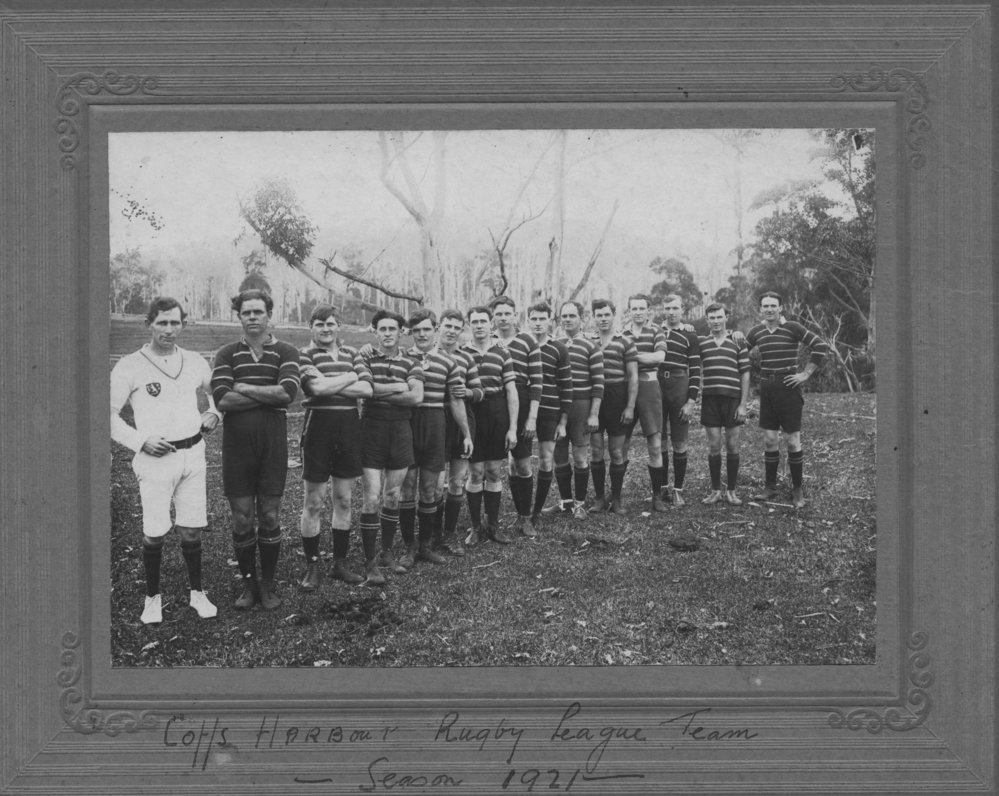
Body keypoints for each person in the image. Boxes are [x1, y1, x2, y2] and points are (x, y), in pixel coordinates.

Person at [111, 297, 221, 625]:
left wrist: (214, 411)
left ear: (183, 325)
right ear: (149, 324)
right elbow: (106, 414)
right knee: (154, 532)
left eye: (175, 323)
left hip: (192, 454)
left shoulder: (194, 360)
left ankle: (197, 593)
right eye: (162, 322)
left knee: (191, 530)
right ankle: (152, 598)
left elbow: (217, 389)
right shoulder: (130, 365)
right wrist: (140, 440)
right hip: (155, 459)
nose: (169, 330)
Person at [210, 289, 301, 611]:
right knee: (242, 517)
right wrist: (267, 392)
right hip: (237, 445)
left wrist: (244, 387)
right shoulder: (225, 354)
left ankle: (269, 584)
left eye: (258, 312)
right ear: (239, 316)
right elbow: (223, 399)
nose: (252, 317)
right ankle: (249, 584)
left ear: (268, 315)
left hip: (272, 443)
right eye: (246, 312)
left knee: (270, 515)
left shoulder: (288, 351)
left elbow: (287, 394)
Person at [296, 304, 372, 592]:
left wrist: (333, 383)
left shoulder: (352, 354)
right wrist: (350, 378)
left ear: (338, 326)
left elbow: (367, 390)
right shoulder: (303, 355)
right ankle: (312, 565)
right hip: (318, 429)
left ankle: (340, 564)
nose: (325, 328)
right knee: (313, 501)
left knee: (344, 499)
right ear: (311, 327)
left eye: (330, 323)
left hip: (349, 428)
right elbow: (315, 390)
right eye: (319, 324)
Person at [396, 308, 471, 568]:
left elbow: (456, 401)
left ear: (435, 329)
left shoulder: (449, 362)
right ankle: (409, 546)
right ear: (410, 333)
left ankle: (426, 544)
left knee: (429, 488)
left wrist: (467, 434)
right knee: (407, 487)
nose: (422, 334)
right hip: (407, 425)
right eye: (416, 330)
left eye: (427, 329)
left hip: (435, 424)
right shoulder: (402, 358)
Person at [353, 310, 424, 584]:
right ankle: (370, 562)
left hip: (401, 430)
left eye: (392, 328)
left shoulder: (412, 362)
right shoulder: (364, 358)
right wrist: (397, 386)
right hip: (371, 429)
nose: (387, 333)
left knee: (392, 495)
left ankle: (386, 553)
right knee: (371, 498)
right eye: (382, 329)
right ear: (375, 331)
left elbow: (416, 396)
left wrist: (379, 389)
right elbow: (365, 390)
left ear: (400, 332)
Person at [744, 291, 830, 508]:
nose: (769, 309)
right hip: (767, 389)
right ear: (761, 309)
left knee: (793, 441)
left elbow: (820, 346)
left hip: (789, 388)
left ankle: (797, 489)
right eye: (765, 306)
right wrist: (734, 336)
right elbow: (739, 351)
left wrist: (805, 374)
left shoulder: (792, 327)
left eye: (773, 305)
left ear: (780, 307)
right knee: (770, 440)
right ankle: (770, 486)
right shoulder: (756, 332)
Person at [461, 305, 519, 546]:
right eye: (474, 321)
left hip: (497, 412)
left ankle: (493, 526)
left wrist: (513, 427)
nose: (479, 325)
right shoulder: (462, 353)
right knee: (475, 472)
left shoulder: (502, 352)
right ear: (469, 325)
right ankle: (475, 527)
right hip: (472, 412)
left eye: (483, 321)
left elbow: (511, 391)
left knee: (494, 470)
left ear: (490, 323)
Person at [489, 295, 543, 538]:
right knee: (492, 464)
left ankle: (525, 516)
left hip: (520, 400)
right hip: (492, 402)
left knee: (521, 461)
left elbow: (537, 383)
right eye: (498, 313)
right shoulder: (486, 341)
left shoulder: (527, 341)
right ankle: (487, 520)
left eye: (507, 313)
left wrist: (531, 417)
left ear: (515, 315)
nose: (502, 318)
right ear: (493, 316)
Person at [548, 300, 604, 519]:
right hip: (558, 407)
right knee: (559, 454)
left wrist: (593, 414)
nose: (568, 320)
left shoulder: (591, 346)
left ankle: (580, 503)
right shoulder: (555, 344)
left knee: (580, 456)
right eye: (564, 316)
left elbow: (599, 384)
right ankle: (566, 502)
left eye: (572, 316)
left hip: (582, 406)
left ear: (582, 318)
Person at [435, 309, 484, 556]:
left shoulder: (466, 358)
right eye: (448, 326)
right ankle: (431, 534)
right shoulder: (427, 355)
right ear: (438, 327)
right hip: (435, 418)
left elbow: (480, 391)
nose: (452, 331)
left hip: (464, 419)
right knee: (433, 481)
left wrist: (469, 393)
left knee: (457, 479)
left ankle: (450, 533)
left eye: (456, 327)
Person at [525, 302, 573, 526]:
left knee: (546, 459)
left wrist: (563, 422)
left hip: (550, 411)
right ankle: (522, 510)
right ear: (528, 320)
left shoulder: (558, 349)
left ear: (549, 321)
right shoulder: (520, 345)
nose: (537, 323)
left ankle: (535, 512)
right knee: (518, 463)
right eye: (533, 319)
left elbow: (566, 387)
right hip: (523, 412)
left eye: (542, 319)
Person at [588, 299, 638, 513]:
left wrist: (630, 407)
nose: (603, 319)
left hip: (618, 397)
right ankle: (599, 498)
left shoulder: (625, 341)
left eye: (606, 314)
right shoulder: (588, 341)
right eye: (599, 315)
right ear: (593, 317)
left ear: (614, 315)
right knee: (597, 449)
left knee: (616, 451)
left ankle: (616, 499)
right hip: (595, 399)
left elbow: (633, 376)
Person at [697, 303, 750, 505]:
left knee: (733, 445)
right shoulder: (702, 343)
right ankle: (715, 490)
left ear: (726, 317)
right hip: (710, 398)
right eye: (712, 318)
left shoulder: (737, 341)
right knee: (713, 446)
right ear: (707, 320)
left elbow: (745, 373)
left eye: (720, 317)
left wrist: (743, 404)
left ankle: (732, 491)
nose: (716, 321)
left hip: (732, 399)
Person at [621, 293, 669, 511]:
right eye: (634, 309)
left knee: (655, 444)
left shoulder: (656, 331)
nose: (638, 312)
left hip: (650, 388)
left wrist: (630, 355)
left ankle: (656, 496)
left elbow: (659, 358)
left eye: (642, 309)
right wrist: (641, 356)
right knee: (621, 443)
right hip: (626, 389)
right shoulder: (622, 333)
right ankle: (617, 496)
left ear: (648, 311)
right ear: (629, 311)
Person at [657, 294, 702, 507]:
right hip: (657, 385)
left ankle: (678, 489)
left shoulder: (689, 335)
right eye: (668, 307)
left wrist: (691, 401)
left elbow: (695, 370)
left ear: (682, 309)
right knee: (659, 439)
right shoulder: (654, 331)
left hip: (679, 385)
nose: (671, 312)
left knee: (680, 439)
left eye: (675, 307)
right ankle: (662, 487)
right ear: (662, 309)